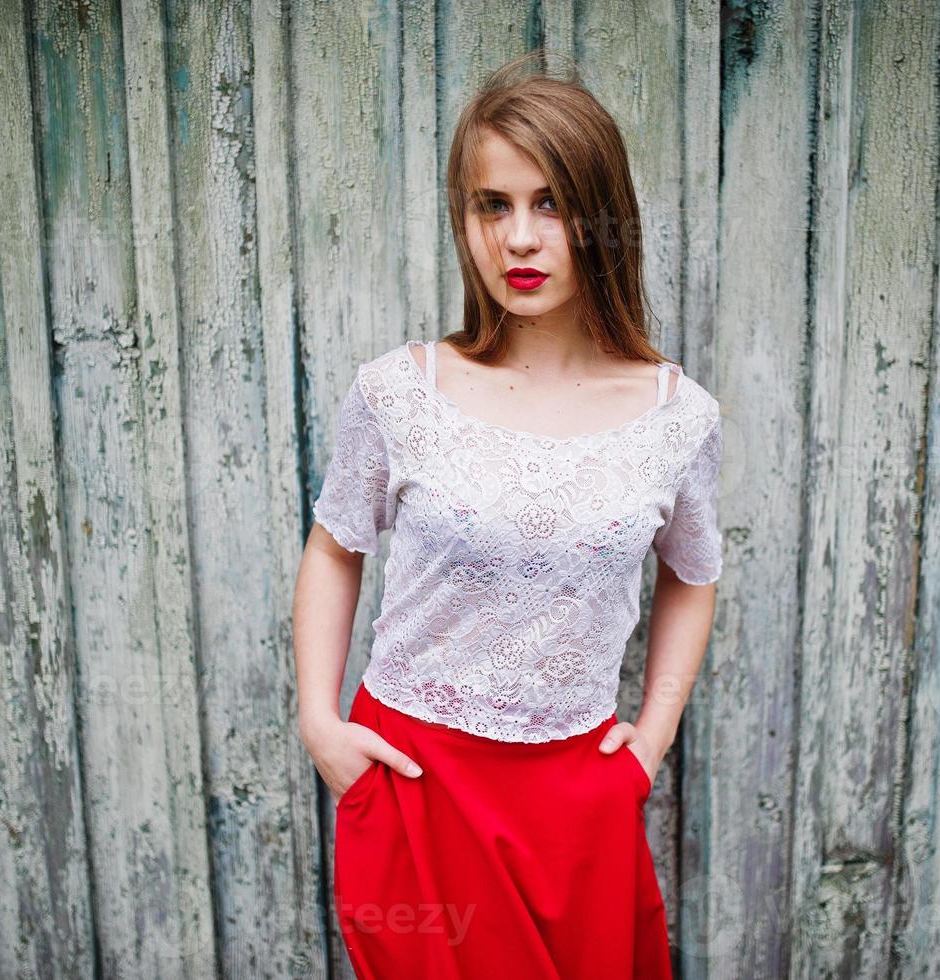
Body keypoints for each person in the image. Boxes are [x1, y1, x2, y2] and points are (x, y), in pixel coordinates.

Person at [292, 50, 722, 979]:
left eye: (552, 203)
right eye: (493, 205)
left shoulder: (674, 416)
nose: (519, 239)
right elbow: (335, 549)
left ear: (603, 219)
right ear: (464, 220)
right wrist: (320, 725)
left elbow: (693, 574)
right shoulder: (399, 393)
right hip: (415, 788)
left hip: (576, 805)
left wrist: (649, 741)